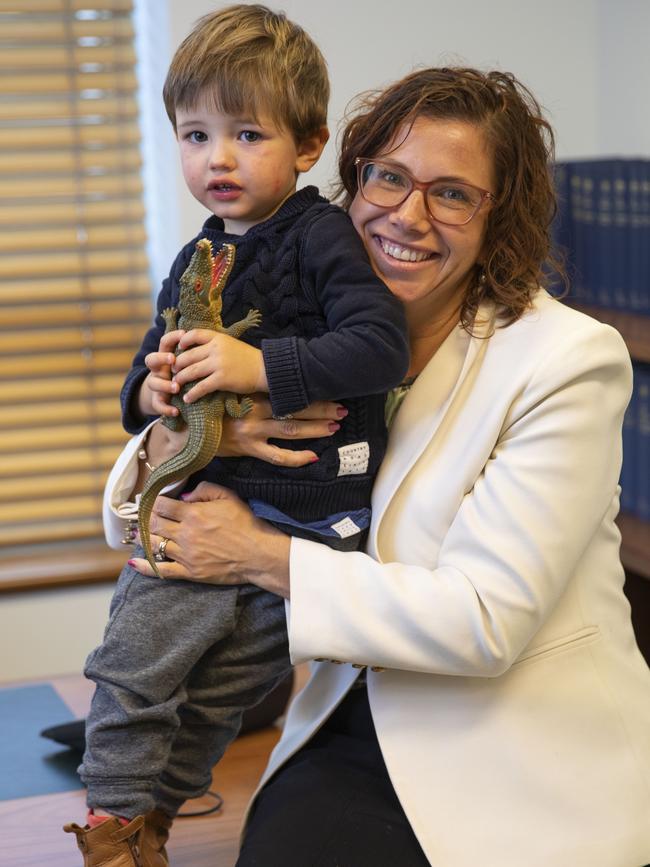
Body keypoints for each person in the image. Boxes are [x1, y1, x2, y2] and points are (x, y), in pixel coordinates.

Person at [106, 66, 650, 867]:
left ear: (501, 216)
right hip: (343, 712)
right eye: (388, 177)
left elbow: (484, 620)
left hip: (510, 746)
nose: (408, 215)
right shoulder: (301, 325)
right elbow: (133, 523)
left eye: (453, 193)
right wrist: (187, 443)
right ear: (350, 178)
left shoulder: (566, 359)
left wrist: (255, 550)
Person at [64, 5, 409, 865]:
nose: (216, 158)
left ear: (308, 144)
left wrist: (255, 368)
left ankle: (153, 822)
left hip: (306, 534)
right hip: (202, 505)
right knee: (134, 664)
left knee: (220, 695)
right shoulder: (193, 261)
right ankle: (114, 825)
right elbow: (149, 377)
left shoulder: (321, 236)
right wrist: (148, 391)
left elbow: (378, 346)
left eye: (246, 132)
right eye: (194, 134)